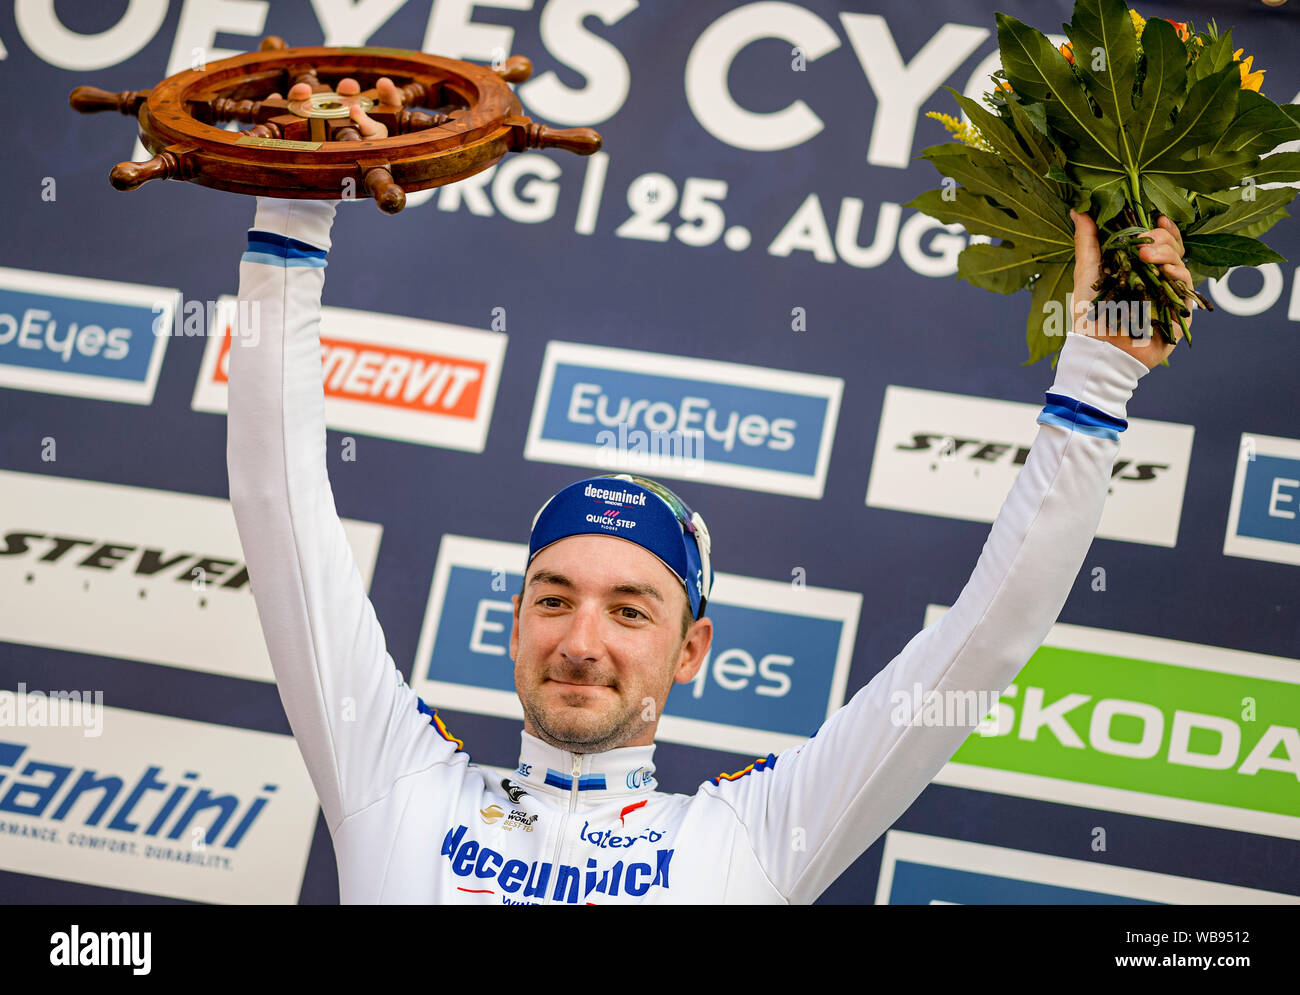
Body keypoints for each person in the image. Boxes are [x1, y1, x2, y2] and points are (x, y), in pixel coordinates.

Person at [226, 79, 1192, 904]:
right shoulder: (391, 780)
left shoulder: (753, 839)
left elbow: (983, 643)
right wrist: (297, 206)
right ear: (513, 619)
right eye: (554, 598)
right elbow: (281, 507)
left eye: (630, 609)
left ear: (692, 650)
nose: (580, 640)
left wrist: (1097, 383)